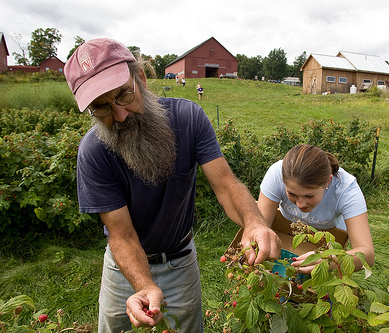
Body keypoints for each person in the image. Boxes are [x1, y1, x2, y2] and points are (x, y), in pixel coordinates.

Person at [64, 38, 281, 333]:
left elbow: (225, 185)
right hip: (122, 269)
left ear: (140, 78)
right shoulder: (94, 151)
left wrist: (253, 221)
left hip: (179, 263)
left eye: (124, 95)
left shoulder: (189, 119)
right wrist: (143, 286)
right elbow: (122, 234)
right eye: (101, 107)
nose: (119, 115)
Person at [257, 144, 374, 274]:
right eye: (292, 194)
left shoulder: (347, 191)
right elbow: (259, 227)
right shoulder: (276, 174)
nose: (301, 204)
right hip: (288, 234)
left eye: (309, 195)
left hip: (329, 242)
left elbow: (367, 254)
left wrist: (330, 261)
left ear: (327, 182)